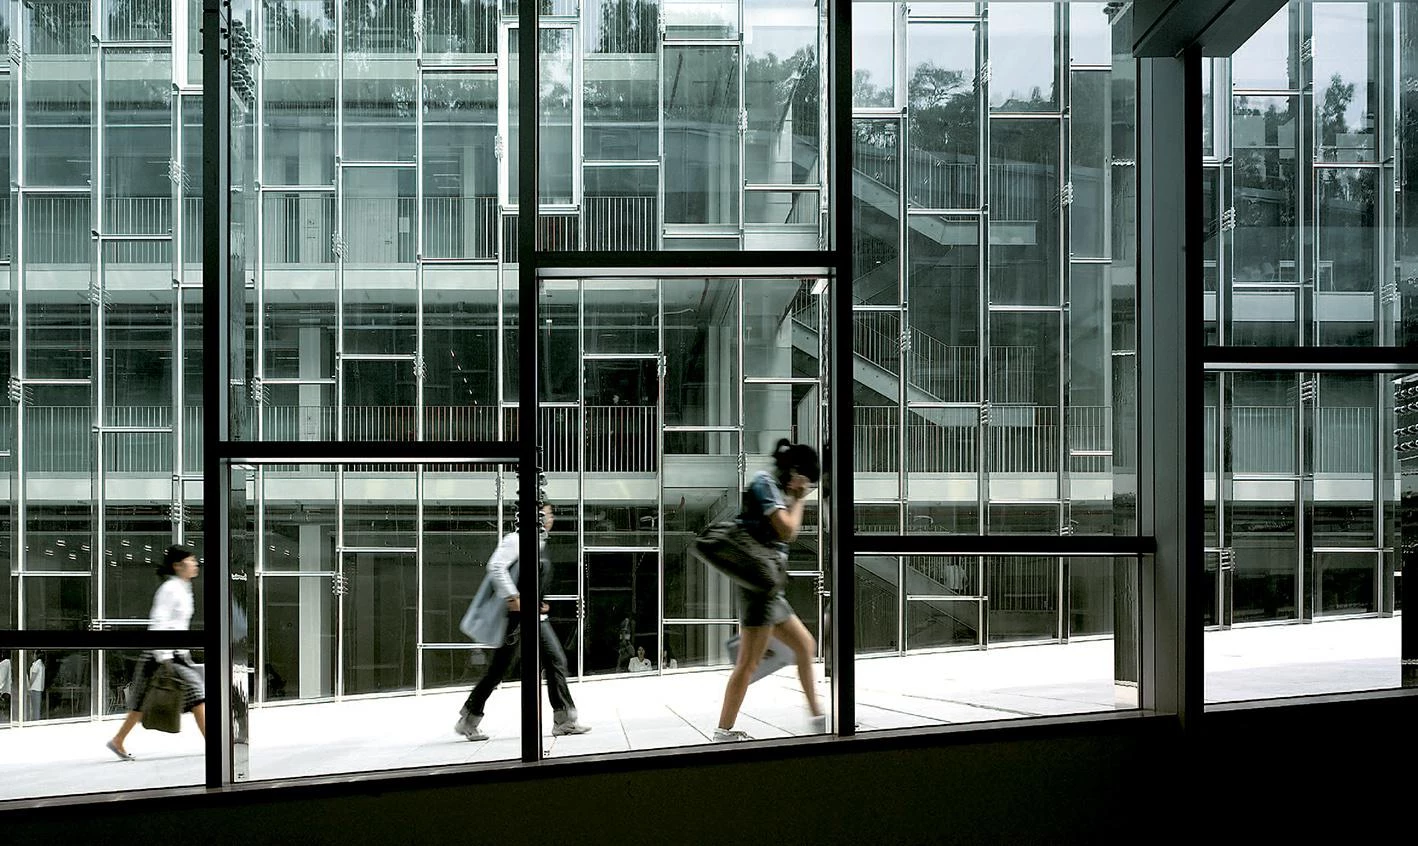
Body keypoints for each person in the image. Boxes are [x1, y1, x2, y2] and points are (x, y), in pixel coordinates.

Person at [714, 439, 825, 742]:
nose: (806, 488)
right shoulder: (766, 484)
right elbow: (788, 531)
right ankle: (723, 731)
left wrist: (795, 497)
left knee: (804, 645)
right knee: (748, 663)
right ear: (796, 472)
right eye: (807, 481)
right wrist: (800, 500)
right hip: (759, 590)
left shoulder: (776, 488)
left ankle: (819, 720)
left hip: (769, 589)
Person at [455, 504, 591, 740]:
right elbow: (496, 566)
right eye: (546, 514)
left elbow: (529, 579)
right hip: (519, 618)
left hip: (534, 615)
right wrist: (513, 596)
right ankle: (469, 719)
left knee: (552, 661)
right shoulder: (516, 539)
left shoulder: (539, 544)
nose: (550, 519)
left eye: (549, 515)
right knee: (504, 668)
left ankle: (564, 720)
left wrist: (540, 602)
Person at [107, 545, 207, 760]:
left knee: (144, 701)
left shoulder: (183, 588)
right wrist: (165, 657)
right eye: (191, 560)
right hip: (161, 655)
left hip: (175, 654)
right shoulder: (170, 589)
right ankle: (215, 743)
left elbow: (179, 625)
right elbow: (159, 621)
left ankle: (118, 740)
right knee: (194, 696)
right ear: (178, 566)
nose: (196, 563)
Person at [27, 653, 44, 721]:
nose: (32, 656)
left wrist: (28, 685)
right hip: (38, 688)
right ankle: (36, 720)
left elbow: (33, 676)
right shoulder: (41, 664)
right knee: (36, 707)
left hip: (35, 688)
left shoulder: (37, 664)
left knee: (34, 708)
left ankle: (35, 721)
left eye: (33, 654)